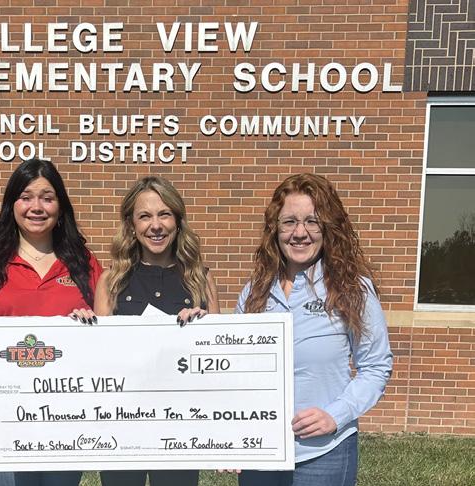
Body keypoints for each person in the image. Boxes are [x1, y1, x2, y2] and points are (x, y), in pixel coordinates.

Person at [0, 159, 103, 486]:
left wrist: (92, 326)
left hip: (65, 410)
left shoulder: (83, 262)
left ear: (61, 206)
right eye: (26, 197)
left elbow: (106, 334)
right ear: (11, 204)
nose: (36, 207)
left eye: (47, 197)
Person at [235, 173, 393, 486]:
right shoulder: (254, 292)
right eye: (289, 222)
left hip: (324, 451)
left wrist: (336, 414)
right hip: (261, 450)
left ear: (328, 228)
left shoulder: (353, 290)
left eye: (312, 221)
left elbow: (376, 367)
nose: (300, 233)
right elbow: (235, 369)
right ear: (275, 229)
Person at [74, 176, 219, 486]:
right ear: (131, 224)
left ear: (178, 221)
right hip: (122, 426)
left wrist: (203, 329)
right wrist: (82, 330)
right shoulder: (111, 281)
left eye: (164, 214)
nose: (156, 225)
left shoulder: (201, 279)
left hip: (181, 427)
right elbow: (99, 359)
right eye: (145, 216)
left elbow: (218, 361)